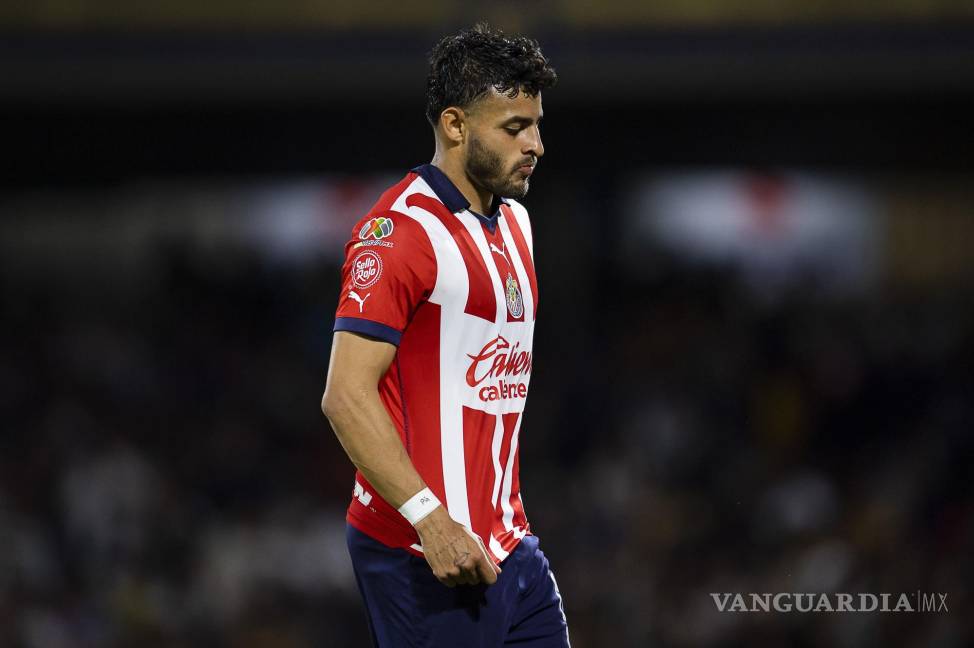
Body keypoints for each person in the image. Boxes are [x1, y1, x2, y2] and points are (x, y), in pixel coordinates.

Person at [321, 23, 568, 647]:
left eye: (537, 125)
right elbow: (345, 395)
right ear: (456, 125)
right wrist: (432, 521)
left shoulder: (517, 224)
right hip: (424, 552)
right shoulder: (400, 233)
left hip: (509, 544)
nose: (536, 145)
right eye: (515, 128)